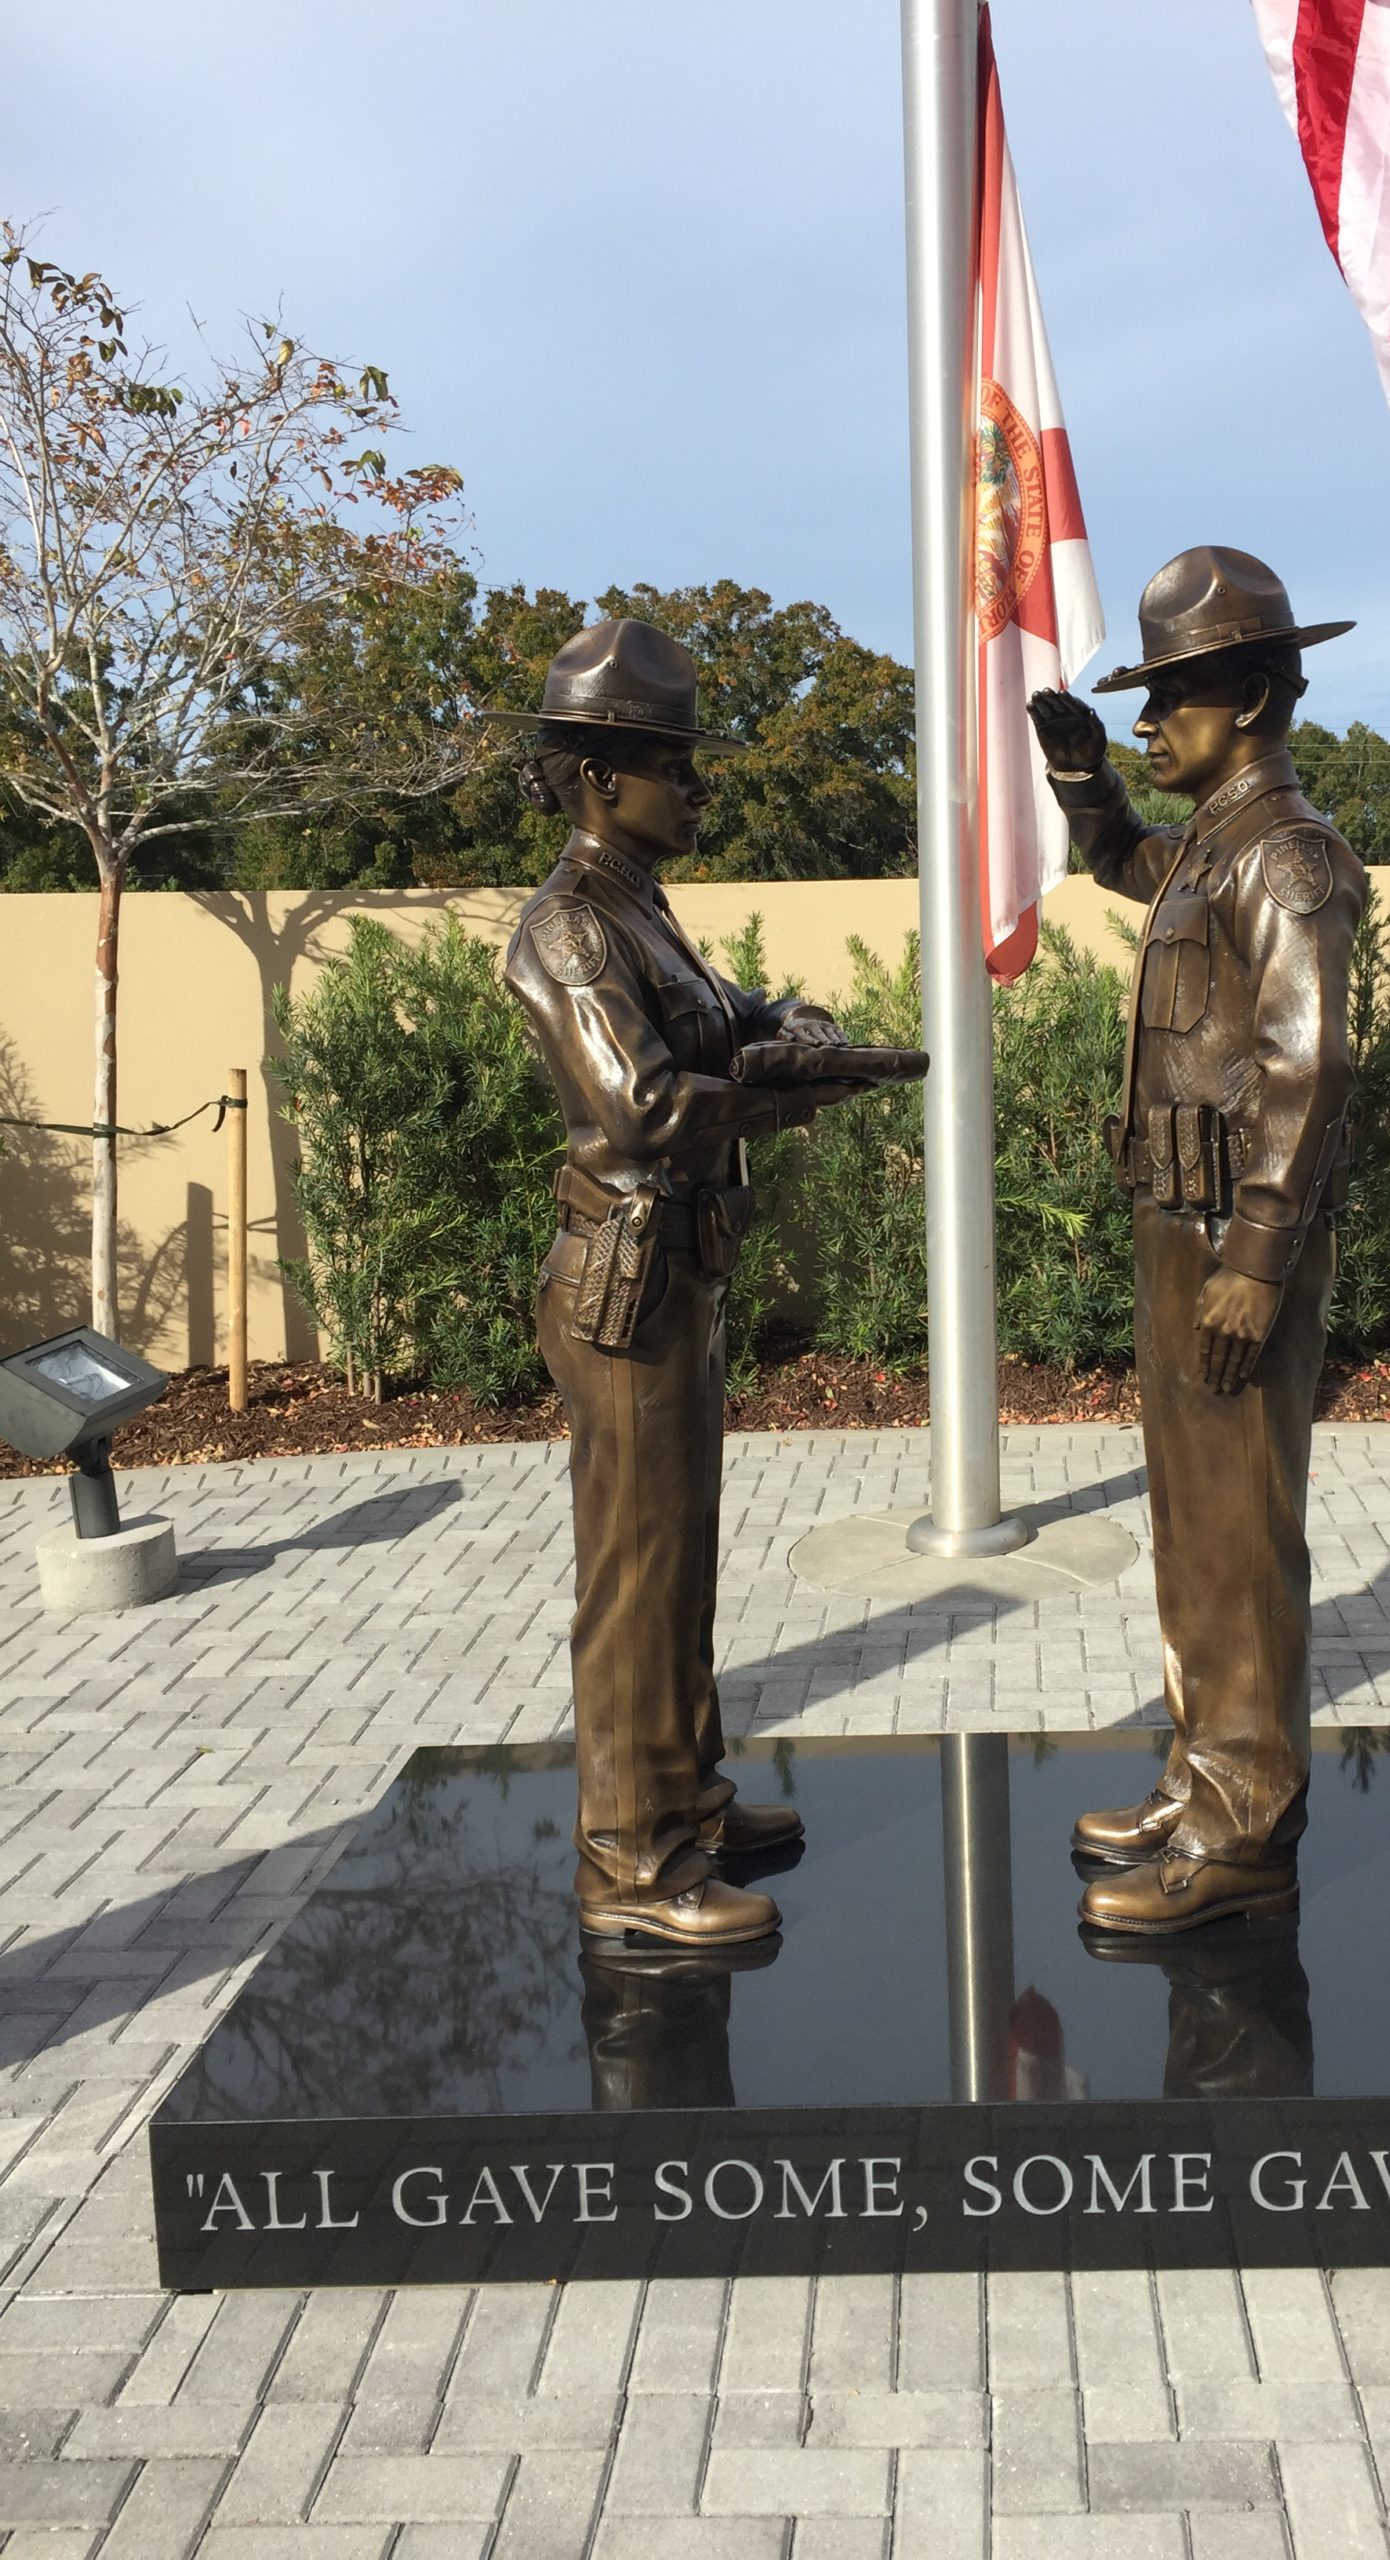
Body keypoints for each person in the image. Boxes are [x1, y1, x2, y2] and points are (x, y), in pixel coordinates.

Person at [498, 619, 874, 1952]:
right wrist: (792, 1092)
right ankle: (630, 1862)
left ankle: (690, 1804)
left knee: (683, 1565)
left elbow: (738, 1015)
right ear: (602, 776)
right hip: (624, 1282)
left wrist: (800, 1031)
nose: (701, 788)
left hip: (678, 1272)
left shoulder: (640, 911)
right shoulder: (569, 929)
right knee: (635, 1575)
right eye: (679, 764)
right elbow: (649, 1106)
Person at [1027, 546, 1362, 1935]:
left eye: (1176, 696)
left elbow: (1312, 1066)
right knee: (1189, 1526)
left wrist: (1259, 1252)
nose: (1153, 717)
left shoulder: (1284, 859)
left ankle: (1244, 1829)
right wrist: (1083, 775)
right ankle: (1199, 1768)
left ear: (1262, 695)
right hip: (1183, 1224)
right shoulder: (1211, 849)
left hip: (1236, 1235)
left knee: (1241, 1530)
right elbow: (1118, 859)